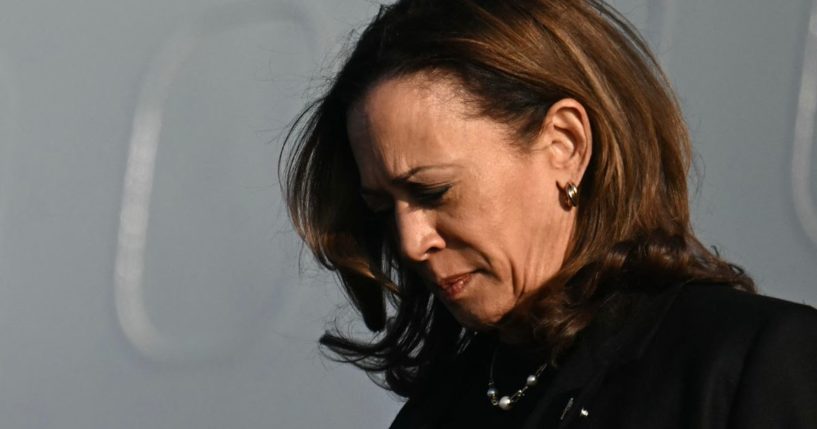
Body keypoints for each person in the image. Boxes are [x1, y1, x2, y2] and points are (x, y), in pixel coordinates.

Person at [282, 0, 817, 427]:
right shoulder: (438, 413)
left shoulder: (755, 365)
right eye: (383, 207)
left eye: (434, 191)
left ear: (565, 144)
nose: (411, 241)